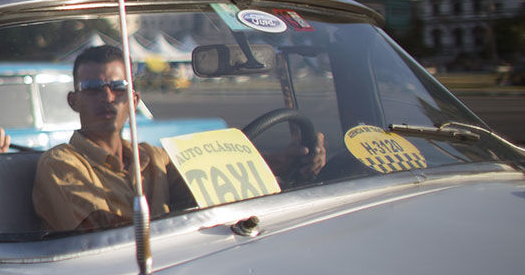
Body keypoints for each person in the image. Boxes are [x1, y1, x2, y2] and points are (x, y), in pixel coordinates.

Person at [33, 44, 324, 233]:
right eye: (93, 88)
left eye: (118, 87)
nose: (108, 97)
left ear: (133, 100)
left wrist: (287, 162)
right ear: (73, 101)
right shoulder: (61, 163)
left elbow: (210, 180)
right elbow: (104, 234)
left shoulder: (152, 157)